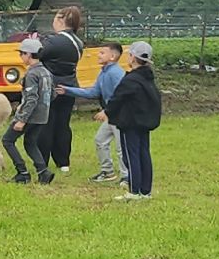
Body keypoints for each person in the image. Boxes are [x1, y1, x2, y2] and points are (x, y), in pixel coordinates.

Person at [58, 41, 125, 183]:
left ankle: (126, 177)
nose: (98, 55)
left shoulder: (116, 73)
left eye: (102, 52)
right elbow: (93, 92)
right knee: (100, 140)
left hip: (121, 115)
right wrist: (68, 90)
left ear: (112, 56)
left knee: (121, 148)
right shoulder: (104, 72)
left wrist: (107, 111)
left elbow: (122, 95)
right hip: (112, 115)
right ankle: (107, 172)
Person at [105, 41, 161, 202]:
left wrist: (108, 112)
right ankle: (145, 191)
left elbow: (117, 98)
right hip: (144, 122)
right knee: (144, 154)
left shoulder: (131, 79)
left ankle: (134, 190)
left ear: (134, 58)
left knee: (131, 156)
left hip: (130, 123)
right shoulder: (148, 78)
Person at [37, 7, 85, 173]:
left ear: (60, 19)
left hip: (50, 87)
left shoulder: (55, 41)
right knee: (63, 125)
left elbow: (39, 54)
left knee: (46, 124)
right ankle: (63, 161)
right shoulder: (78, 42)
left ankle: (42, 161)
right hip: (70, 86)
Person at [2, 36, 53, 184]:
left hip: (30, 115)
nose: (21, 56)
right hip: (43, 115)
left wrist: (22, 119)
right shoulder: (46, 72)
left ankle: (22, 172)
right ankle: (43, 172)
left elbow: (31, 98)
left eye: (22, 53)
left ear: (29, 55)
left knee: (7, 140)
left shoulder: (32, 74)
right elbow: (53, 93)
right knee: (30, 142)